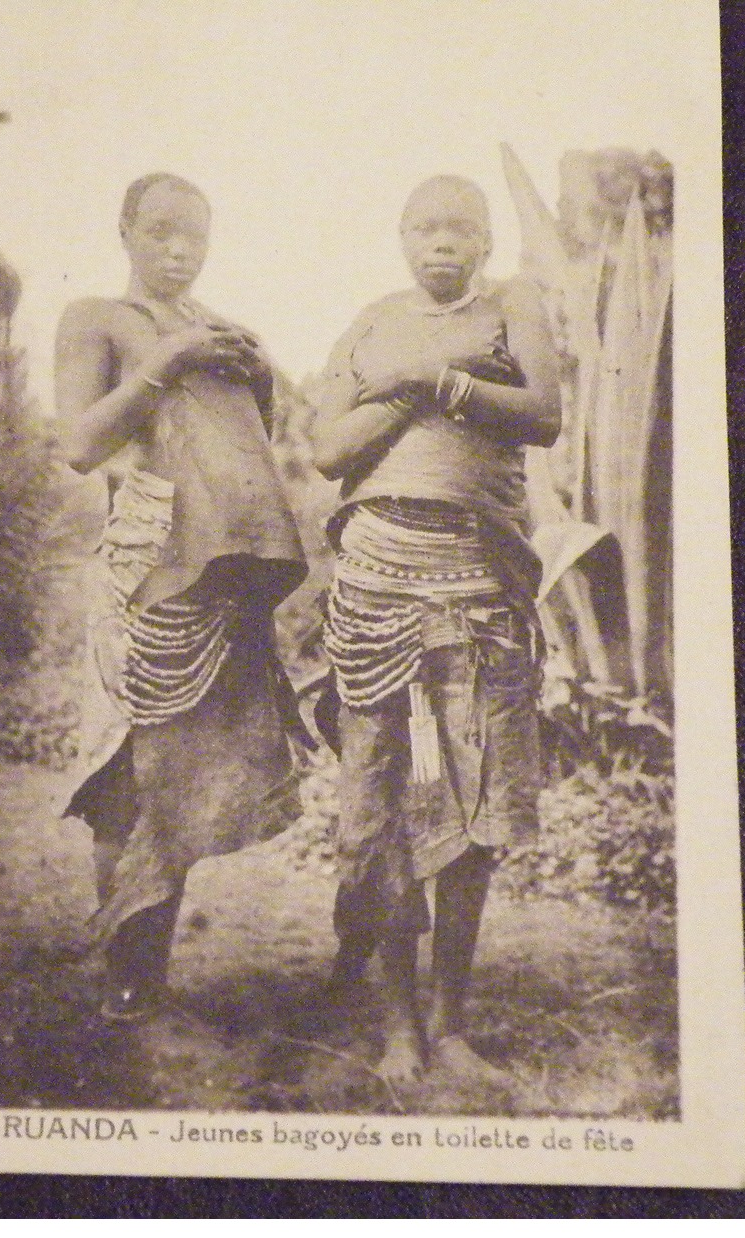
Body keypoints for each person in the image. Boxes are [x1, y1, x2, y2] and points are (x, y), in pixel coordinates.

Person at [307, 174, 561, 1084]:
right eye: (422, 228)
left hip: (479, 579)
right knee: (379, 803)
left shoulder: (513, 304)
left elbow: (543, 414)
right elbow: (328, 449)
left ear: (485, 241)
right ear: (401, 238)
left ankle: (450, 1024)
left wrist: (433, 376)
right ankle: (396, 1028)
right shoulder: (374, 320)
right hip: (375, 580)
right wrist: (419, 384)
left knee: (473, 801)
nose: (440, 242)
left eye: (458, 228)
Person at [56, 173, 308, 1021]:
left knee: (190, 775)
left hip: (223, 571)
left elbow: (245, 453)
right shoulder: (96, 318)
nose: (177, 251)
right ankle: (128, 977)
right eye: (160, 232)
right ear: (124, 228)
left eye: (193, 237)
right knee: (132, 773)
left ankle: (147, 972)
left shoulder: (222, 332)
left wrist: (256, 371)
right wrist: (165, 362)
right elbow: (80, 443)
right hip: (145, 571)